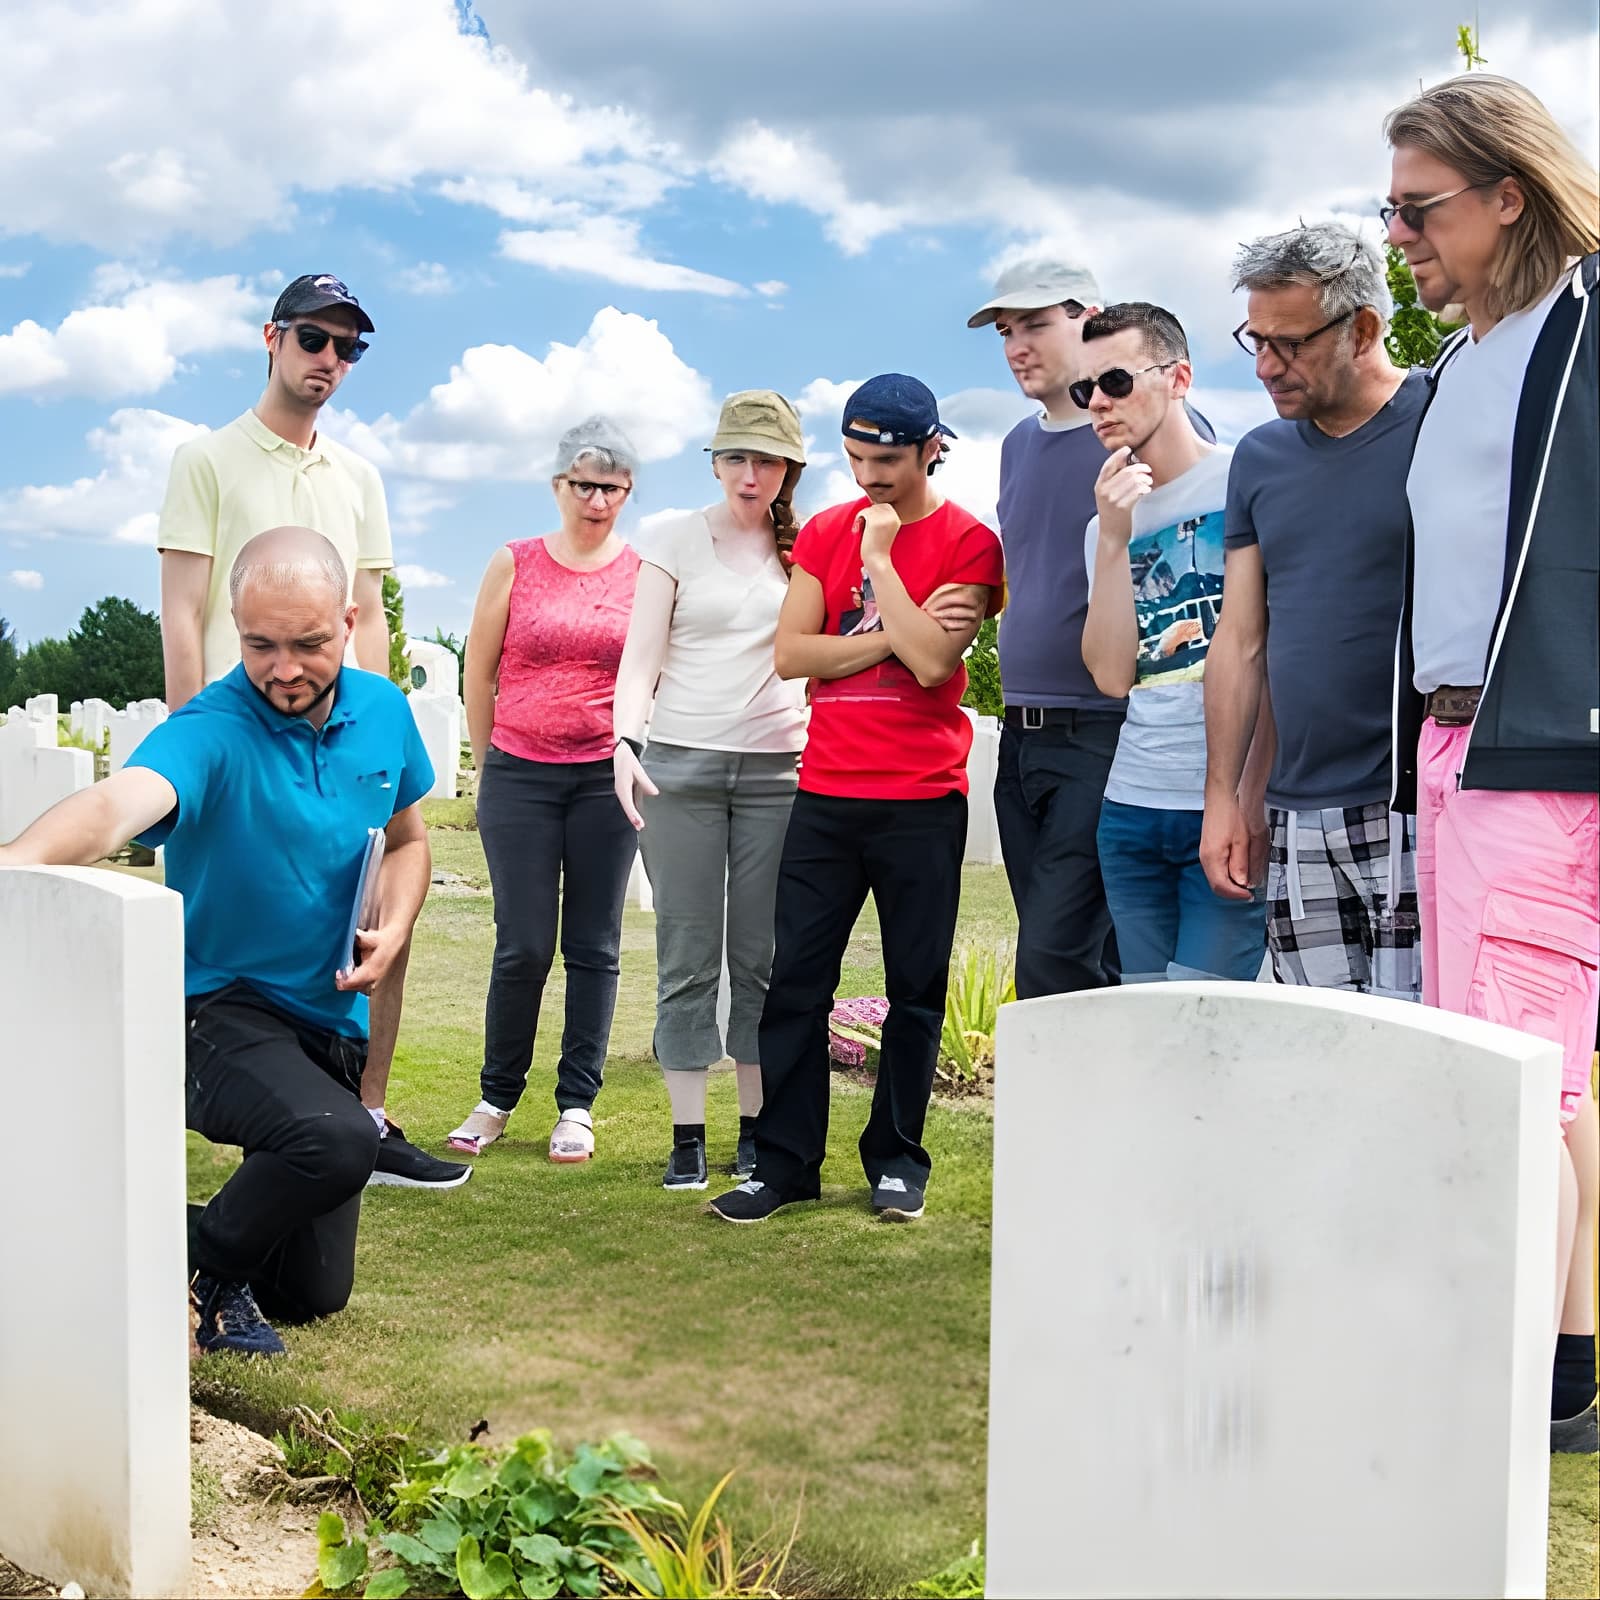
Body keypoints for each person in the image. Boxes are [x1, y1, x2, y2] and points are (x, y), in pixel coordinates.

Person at [0, 528, 435, 1357]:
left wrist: (399, 919)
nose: (283, 669)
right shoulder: (210, 729)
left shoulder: (383, 711)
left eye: (308, 643)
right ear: (235, 626)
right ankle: (206, 1273)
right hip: (218, 1010)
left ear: (348, 621)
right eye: (260, 644)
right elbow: (116, 806)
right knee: (340, 1140)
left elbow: (410, 840)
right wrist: (15, 864)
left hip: (328, 1024)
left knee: (314, 1292)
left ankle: (155, 1239)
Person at [1383, 73, 1599, 1453]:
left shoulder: (1588, 329)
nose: (1400, 234)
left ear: (1505, 193)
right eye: (1388, 209)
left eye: (1420, 208)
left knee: (1531, 1074)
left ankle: (1540, 1371)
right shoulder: (1466, 358)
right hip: (1453, 748)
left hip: (1546, 758)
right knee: (1514, 1063)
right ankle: (1549, 1358)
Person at [155, 272, 466, 1191]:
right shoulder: (205, 460)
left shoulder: (359, 477)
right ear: (272, 338)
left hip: (343, 737)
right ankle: (273, 1117)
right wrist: (186, 752)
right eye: (314, 340)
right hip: (239, 742)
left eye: (349, 348)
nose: (330, 360)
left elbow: (368, 612)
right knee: (239, 949)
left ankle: (367, 1117)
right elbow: (183, 612)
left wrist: (378, 727)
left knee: (382, 921)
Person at [707, 375, 1004, 1225]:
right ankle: (784, 1166)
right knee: (796, 985)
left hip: (923, 798)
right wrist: (890, 637)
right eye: (857, 457)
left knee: (916, 988)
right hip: (826, 795)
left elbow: (939, 667)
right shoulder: (826, 531)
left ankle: (898, 1162)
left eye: (890, 460)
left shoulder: (968, 542)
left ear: (931, 449)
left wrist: (880, 566)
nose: (870, 475)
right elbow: (793, 654)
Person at [969, 260, 1215, 999]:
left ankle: (1052, 1115)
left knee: (1055, 958)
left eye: (1037, 324)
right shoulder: (1016, 444)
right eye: (1007, 332)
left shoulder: (1150, 429)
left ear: (1089, 318)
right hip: (1021, 735)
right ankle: (1107, 1110)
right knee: (1079, 960)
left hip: (1109, 729)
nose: (1017, 346)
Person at [1200, 222, 1427, 1000]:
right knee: (1321, 1060)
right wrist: (1226, 797)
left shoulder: (1444, 416)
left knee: (1440, 1057)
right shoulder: (1259, 458)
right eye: (1254, 340)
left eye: (1288, 343)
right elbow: (1240, 639)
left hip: (1419, 805)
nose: (1265, 365)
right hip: (1299, 814)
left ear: (1364, 328)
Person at [611, 392, 809, 1191]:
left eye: (766, 460)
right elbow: (639, 661)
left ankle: (756, 1132)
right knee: (687, 954)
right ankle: (686, 1135)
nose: (750, 474)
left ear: (789, 466)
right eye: (735, 458)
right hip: (681, 768)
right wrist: (625, 743)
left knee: (759, 958)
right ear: (716, 460)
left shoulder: (812, 545)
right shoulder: (671, 541)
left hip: (777, 775)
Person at [447, 419, 642, 1165]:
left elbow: (649, 670)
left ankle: (577, 1104)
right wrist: (485, 756)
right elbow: (480, 667)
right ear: (558, 485)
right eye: (583, 484)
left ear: (628, 491)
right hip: (519, 772)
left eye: (612, 487)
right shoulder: (515, 562)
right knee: (522, 943)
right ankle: (497, 1096)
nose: (596, 500)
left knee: (594, 944)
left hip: (603, 775)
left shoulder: (641, 572)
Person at [1079, 304, 1268, 982]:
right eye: (1086, 390)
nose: (1098, 403)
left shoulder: (1244, 480)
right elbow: (1110, 675)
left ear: (1180, 377)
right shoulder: (1109, 516)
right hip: (1130, 810)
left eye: (1116, 382)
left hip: (1225, 806)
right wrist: (1111, 537)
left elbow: (1266, 654)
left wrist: (1252, 796)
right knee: (1149, 1025)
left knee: (1207, 1022)